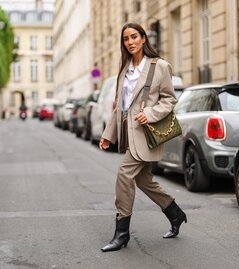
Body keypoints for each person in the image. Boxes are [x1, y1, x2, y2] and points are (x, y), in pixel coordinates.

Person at [99, 23, 187, 252]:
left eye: (134, 37)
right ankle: (175, 214)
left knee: (124, 174)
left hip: (146, 134)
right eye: (126, 38)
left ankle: (122, 233)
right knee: (143, 180)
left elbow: (169, 100)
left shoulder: (159, 66)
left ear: (143, 38)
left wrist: (149, 113)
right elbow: (119, 107)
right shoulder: (124, 69)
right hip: (129, 133)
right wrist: (109, 135)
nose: (130, 42)